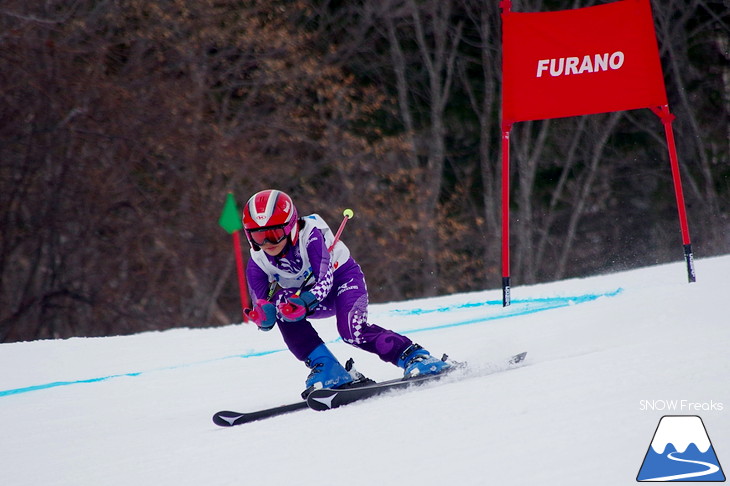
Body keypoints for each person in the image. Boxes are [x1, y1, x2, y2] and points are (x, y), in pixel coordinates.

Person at [242, 189, 450, 396]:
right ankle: (329, 369)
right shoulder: (257, 260)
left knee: (352, 332)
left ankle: (415, 356)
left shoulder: (311, 237)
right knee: (280, 305)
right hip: (309, 298)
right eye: (258, 236)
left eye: (274, 234)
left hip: (343, 281)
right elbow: (260, 303)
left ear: (291, 228)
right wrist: (264, 317)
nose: (267, 244)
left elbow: (325, 279)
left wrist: (304, 301)